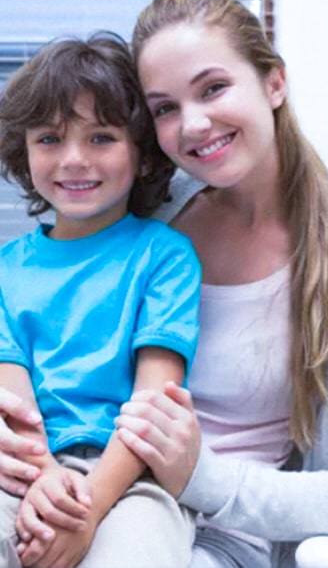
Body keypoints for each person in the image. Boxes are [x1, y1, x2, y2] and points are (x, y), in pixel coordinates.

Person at [0, 0, 328, 568]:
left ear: (274, 83)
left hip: (221, 537)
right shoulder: (137, 211)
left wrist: (203, 477)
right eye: (165, 108)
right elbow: (37, 326)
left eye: (214, 88)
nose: (194, 124)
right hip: (76, 491)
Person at [0, 33, 201, 568]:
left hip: (131, 477)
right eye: (49, 139)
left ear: (142, 152)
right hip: (26, 471)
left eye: (101, 137)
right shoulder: (5, 268)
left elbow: (155, 404)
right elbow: (13, 404)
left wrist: (86, 510)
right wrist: (46, 482)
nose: (72, 160)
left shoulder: (164, 255)